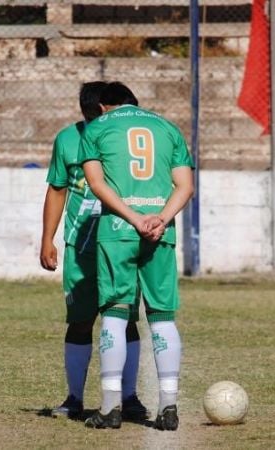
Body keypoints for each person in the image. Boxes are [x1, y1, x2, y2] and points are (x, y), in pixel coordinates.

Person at [79, 82, 194, 430]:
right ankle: (169, 405)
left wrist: (133, 218)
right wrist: (160, 218)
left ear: (103, 106)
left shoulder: (96, 128)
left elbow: (97, 184)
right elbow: (185, 185)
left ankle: (111, 406)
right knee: (162, 316)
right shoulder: (167, 127)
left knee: (115, 312)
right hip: (161, 232)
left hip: (118, 231)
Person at [40, 81, 148, 420]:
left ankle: (128, 397)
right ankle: (74, 398)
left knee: (126, 319)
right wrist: (48, 238)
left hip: (121, 241)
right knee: (81, 320)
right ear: (99, 110)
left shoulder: (129, 139)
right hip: (81, 247)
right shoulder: (68, 140)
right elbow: (57, 189)